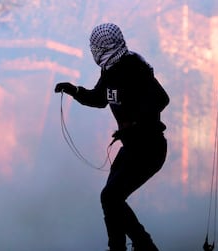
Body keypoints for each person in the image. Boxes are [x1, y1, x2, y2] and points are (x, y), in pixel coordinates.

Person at [55, 23, 169, 251]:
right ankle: (117, 247)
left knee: (111, 197)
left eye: (95, 46)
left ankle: (145, 246)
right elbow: (99, 99)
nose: (93, 51)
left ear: (104, 46)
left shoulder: (134, 67)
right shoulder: (110, 70)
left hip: (149, 148)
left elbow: (161, 99)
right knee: (109, 200)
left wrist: (135, 125)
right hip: (131, 148)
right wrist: (74, 90)